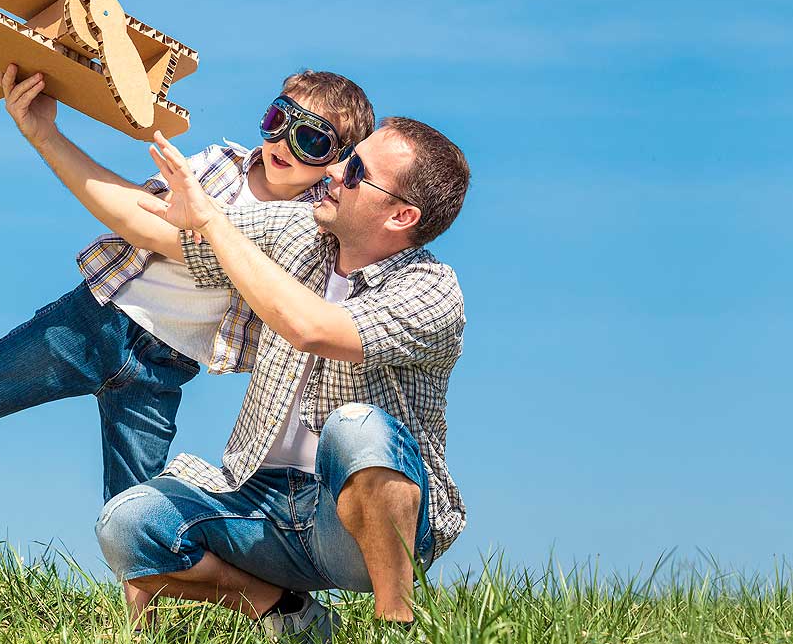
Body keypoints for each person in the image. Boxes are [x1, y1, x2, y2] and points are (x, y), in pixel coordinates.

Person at [0, 65, 375, 501]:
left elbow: (155, 230)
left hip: (166, 366)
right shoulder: (220, 162)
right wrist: (44, 130)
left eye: (312, 140)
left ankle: (138, 622)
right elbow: (141, 214)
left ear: (340, 161)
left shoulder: (306, 229)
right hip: (100, 316)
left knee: (134, 504)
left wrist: (47, 138)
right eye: (278, 121)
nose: (283, 145)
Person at [36, 87, 472, 638]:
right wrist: (44, 135)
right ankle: (285, 611)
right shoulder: (297, 231)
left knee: (357, 427)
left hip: (358, 531)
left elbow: (311, 327)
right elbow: (155, 227)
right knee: (127, 524)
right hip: (261, 506)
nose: (336, 170)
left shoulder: (432, 289)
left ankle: (397, 624)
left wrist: (217, 227)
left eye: (358, 170)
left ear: (402, 215)